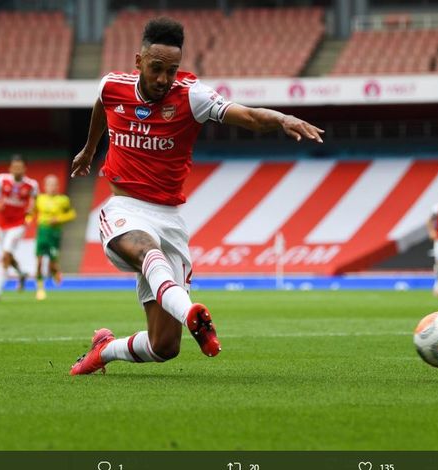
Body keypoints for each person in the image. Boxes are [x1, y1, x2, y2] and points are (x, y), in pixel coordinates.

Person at [69, 17, 324, 375]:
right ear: (138, 61)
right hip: (124, 207)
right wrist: (89, 149)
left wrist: (281, 118)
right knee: (146, 250)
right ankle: (190, 312)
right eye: (156, 69)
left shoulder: (192, 96)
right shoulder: (113, 86)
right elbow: (101, 104)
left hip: (169, 218)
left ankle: (104, 349)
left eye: (171, 71)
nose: (163, 79)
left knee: (164, 347)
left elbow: (248, 116)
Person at [0, 154, 38, 303]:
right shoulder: (1, 180)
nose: (17, 170)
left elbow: (34, 201)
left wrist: (30, 210)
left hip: (18, 224)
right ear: (10, 168)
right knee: (8, 256)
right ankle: (21, 274)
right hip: (2, 224)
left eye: (20, 167)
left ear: (24, 168)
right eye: (14, 167)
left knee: (5, 255)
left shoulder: (31, 185)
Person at [31, 174, 76, 300]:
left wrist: (59, 219)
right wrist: (28, 219)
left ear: (58, 186)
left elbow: (72, 213)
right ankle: (40, 288)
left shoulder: (63, 200)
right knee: (39, 261)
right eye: (50, 184)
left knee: (53, 263)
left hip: (55, 233)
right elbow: (32, 212)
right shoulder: (39, 199)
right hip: (42, 231)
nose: (52, 187)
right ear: (45, 186)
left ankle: (56, 275)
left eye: (55, 184)